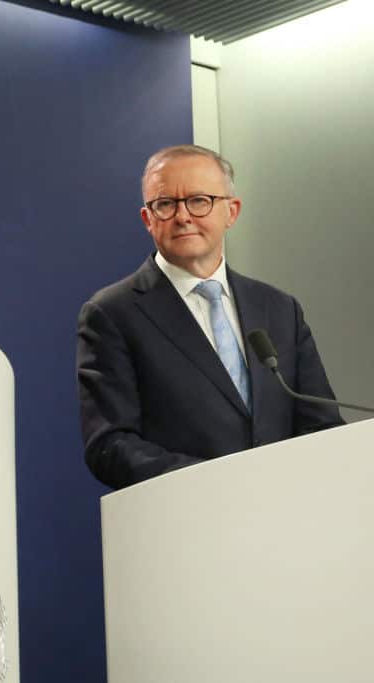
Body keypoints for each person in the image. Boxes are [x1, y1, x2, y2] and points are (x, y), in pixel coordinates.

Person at [76, 144, 343, 489]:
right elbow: (110, 445)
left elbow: (321, 425)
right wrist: (217, 483)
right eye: (166, 204)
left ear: (231, 212)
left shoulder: (278, 308)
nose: (183, 216)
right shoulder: (112, 313)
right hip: (187, 520)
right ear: (148, 219)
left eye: (199, 200)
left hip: (284, 516)